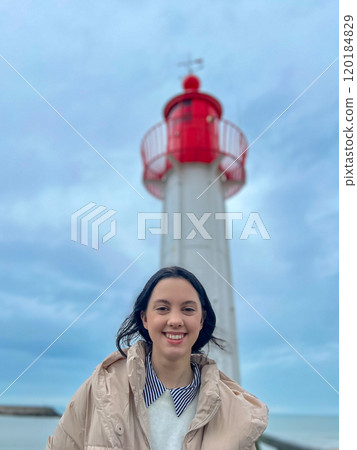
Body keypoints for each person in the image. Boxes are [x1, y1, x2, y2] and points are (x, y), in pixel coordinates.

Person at [46, 266, 268, 449]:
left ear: (202, 320)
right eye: (162, 308)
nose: (175, 320)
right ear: (144, 318)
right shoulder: (101, 388)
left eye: (188, 310)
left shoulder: (235, 412)